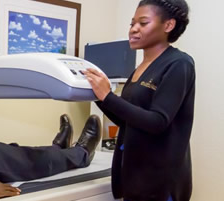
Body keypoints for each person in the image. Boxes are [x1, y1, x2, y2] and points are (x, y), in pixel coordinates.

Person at [82, 0, 194, 201]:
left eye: (143, 23)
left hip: (159, 181)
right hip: (133, 175)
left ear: (168, 25)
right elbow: (128, 122)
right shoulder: (141, 68)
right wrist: (98, 96)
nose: (133, 29)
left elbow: (157, 122)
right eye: (132, 23)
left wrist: (108, 96)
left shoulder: (179, 64)